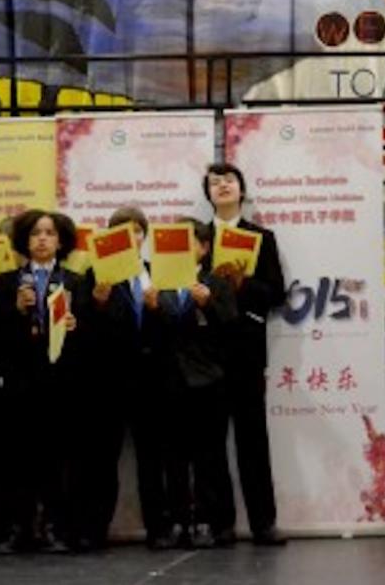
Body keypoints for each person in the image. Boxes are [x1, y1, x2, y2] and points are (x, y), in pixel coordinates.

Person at [0, 209, 85, 554]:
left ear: (61, 241)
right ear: (24, 241)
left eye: (49, 233)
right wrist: (15, 310)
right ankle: (17, 528)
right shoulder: (6, 282)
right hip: (20, 385)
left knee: (57, 460)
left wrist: (76, 327)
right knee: (18, 461)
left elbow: (92, 338)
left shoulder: (75, 281)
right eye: (35, 233)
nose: (42, 239)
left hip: (60, 384)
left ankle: (55, 528)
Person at [205, 162, 288, 546]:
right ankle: (220, 524)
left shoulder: (262, 237)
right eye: (214, 182)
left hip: (247, 351)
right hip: (204, 352)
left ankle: (263, 523)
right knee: (210, 442)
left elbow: (277, 294)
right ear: (208, 194)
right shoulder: (198, 237)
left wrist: (244, 283)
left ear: (242, 190)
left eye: (229, 180)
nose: (222, 185)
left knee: (253, 439)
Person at [69, 205, 161, 550]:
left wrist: (156, 310)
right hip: (106, 383)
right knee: (101, 460)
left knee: (153, 460)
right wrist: (97, 305)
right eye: (123, 231)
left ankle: (159, 529)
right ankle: (93, 530)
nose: (131, 237)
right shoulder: (93, 277)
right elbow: (81, 333)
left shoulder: (158, 272)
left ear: (143, 237)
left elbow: (171, 331)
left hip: (150, 381)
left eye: (137, 231)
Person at [145, 220, 235, 549]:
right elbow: (151, 340)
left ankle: (212, 522)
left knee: (210, 458)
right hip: (168, 384)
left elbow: (231, 330)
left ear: (204, 247)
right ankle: (180, 522)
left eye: (191, 242)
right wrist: (152, 311)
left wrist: (207, 304)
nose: (183, 249)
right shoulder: (158, 285)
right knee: (173, 459)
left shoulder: (217, 283)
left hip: (208, 383)